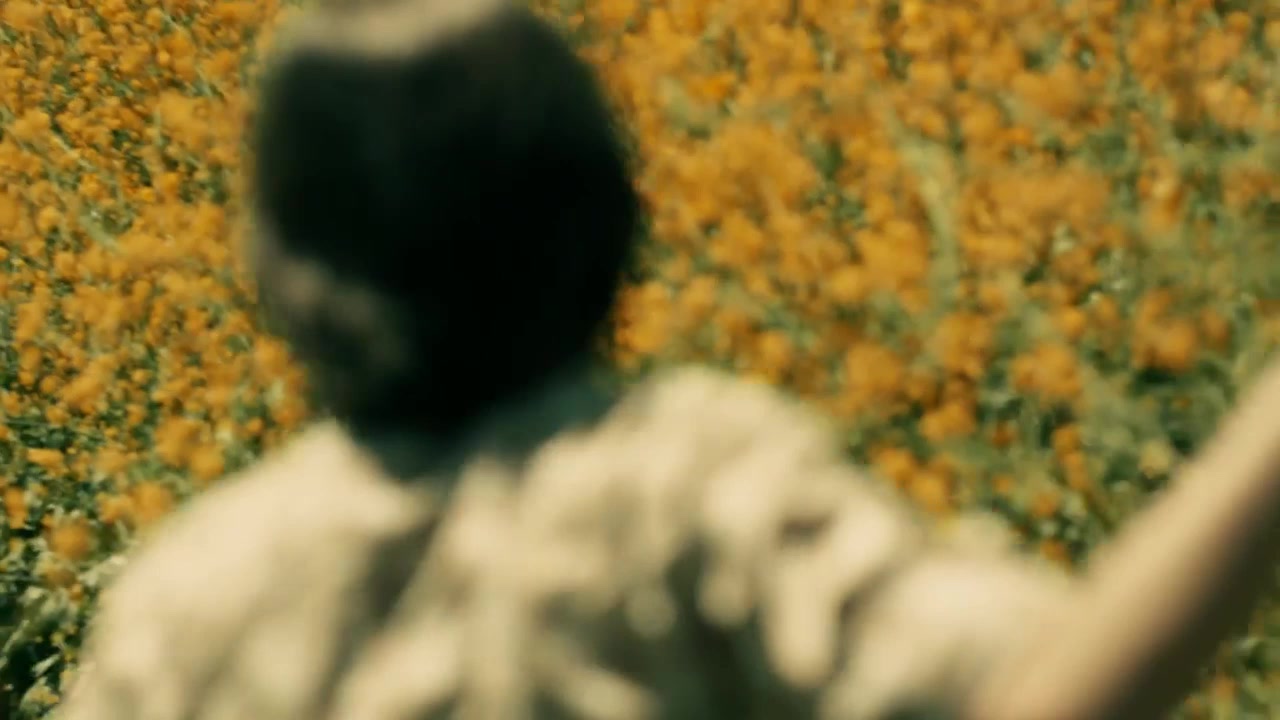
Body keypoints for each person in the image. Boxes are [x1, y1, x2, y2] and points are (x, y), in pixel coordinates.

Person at [53, 0, 1280, 718]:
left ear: (273, 272)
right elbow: (1038, 691)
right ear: (607, 224)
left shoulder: (185, 599)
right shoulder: (679, 490)